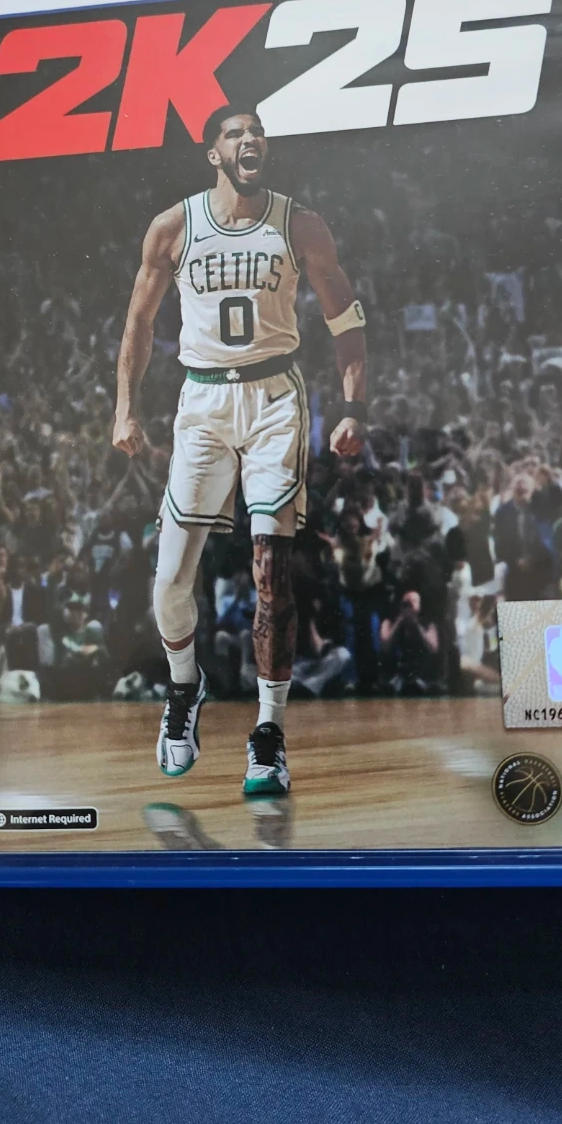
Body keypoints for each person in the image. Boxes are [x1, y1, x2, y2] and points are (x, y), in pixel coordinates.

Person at [113, 106, 367, 796]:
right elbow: (138, 320)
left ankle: (268, 733)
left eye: (257, 131)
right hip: (202, 402)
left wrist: (352, 407)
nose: (250, 139)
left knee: (271, 572)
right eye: (235, 133)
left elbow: (346, 318)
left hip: (274, 398)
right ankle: (184, 688)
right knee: (170, 581)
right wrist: (125, 405)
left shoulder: (300, 224)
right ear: (213, 153)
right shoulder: (174, 227)